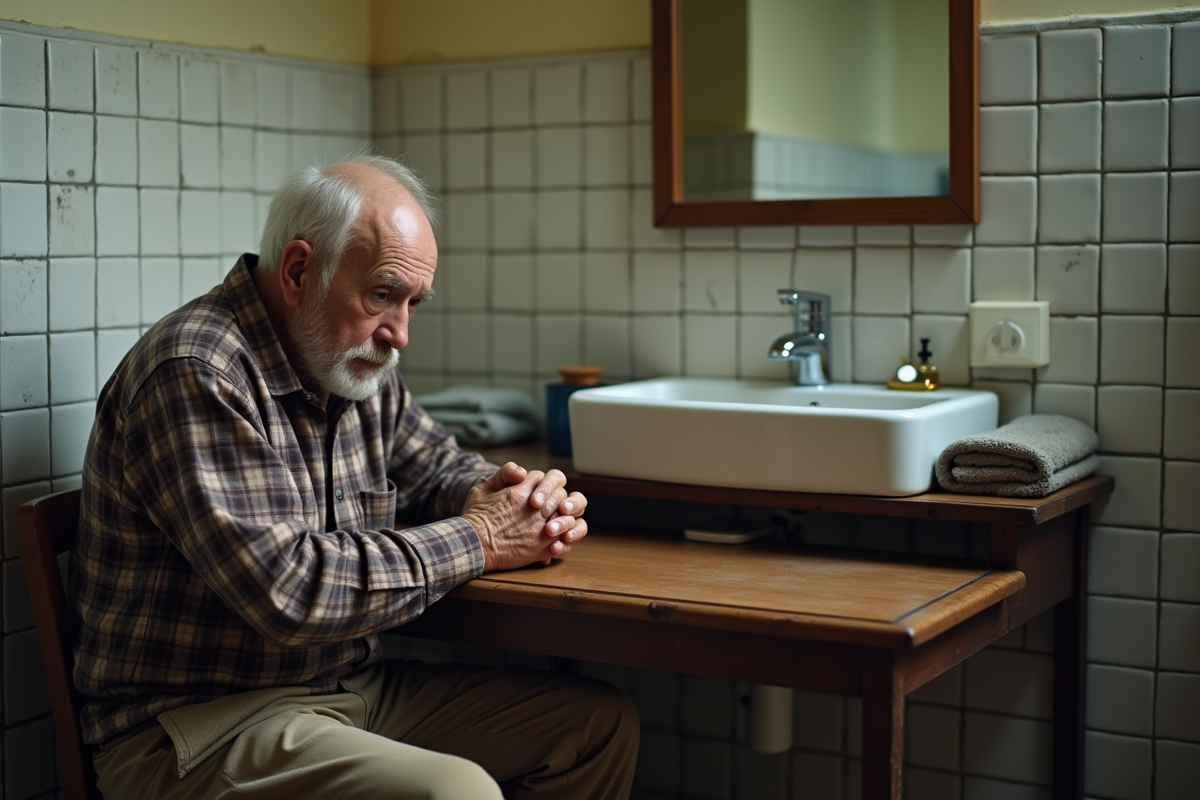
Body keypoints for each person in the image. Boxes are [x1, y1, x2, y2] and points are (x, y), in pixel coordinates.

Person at [73, 155, 639, 799]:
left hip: (343, 689)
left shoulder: (350, 359)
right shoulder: (196, 371)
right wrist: (483, 537)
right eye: (381, 295)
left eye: (413, 302)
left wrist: (519, 497)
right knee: (454, 792)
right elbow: (291, 591)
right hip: (195, 727)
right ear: (297, 271)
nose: (399, 333)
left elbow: (436, 465)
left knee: (596, 726)